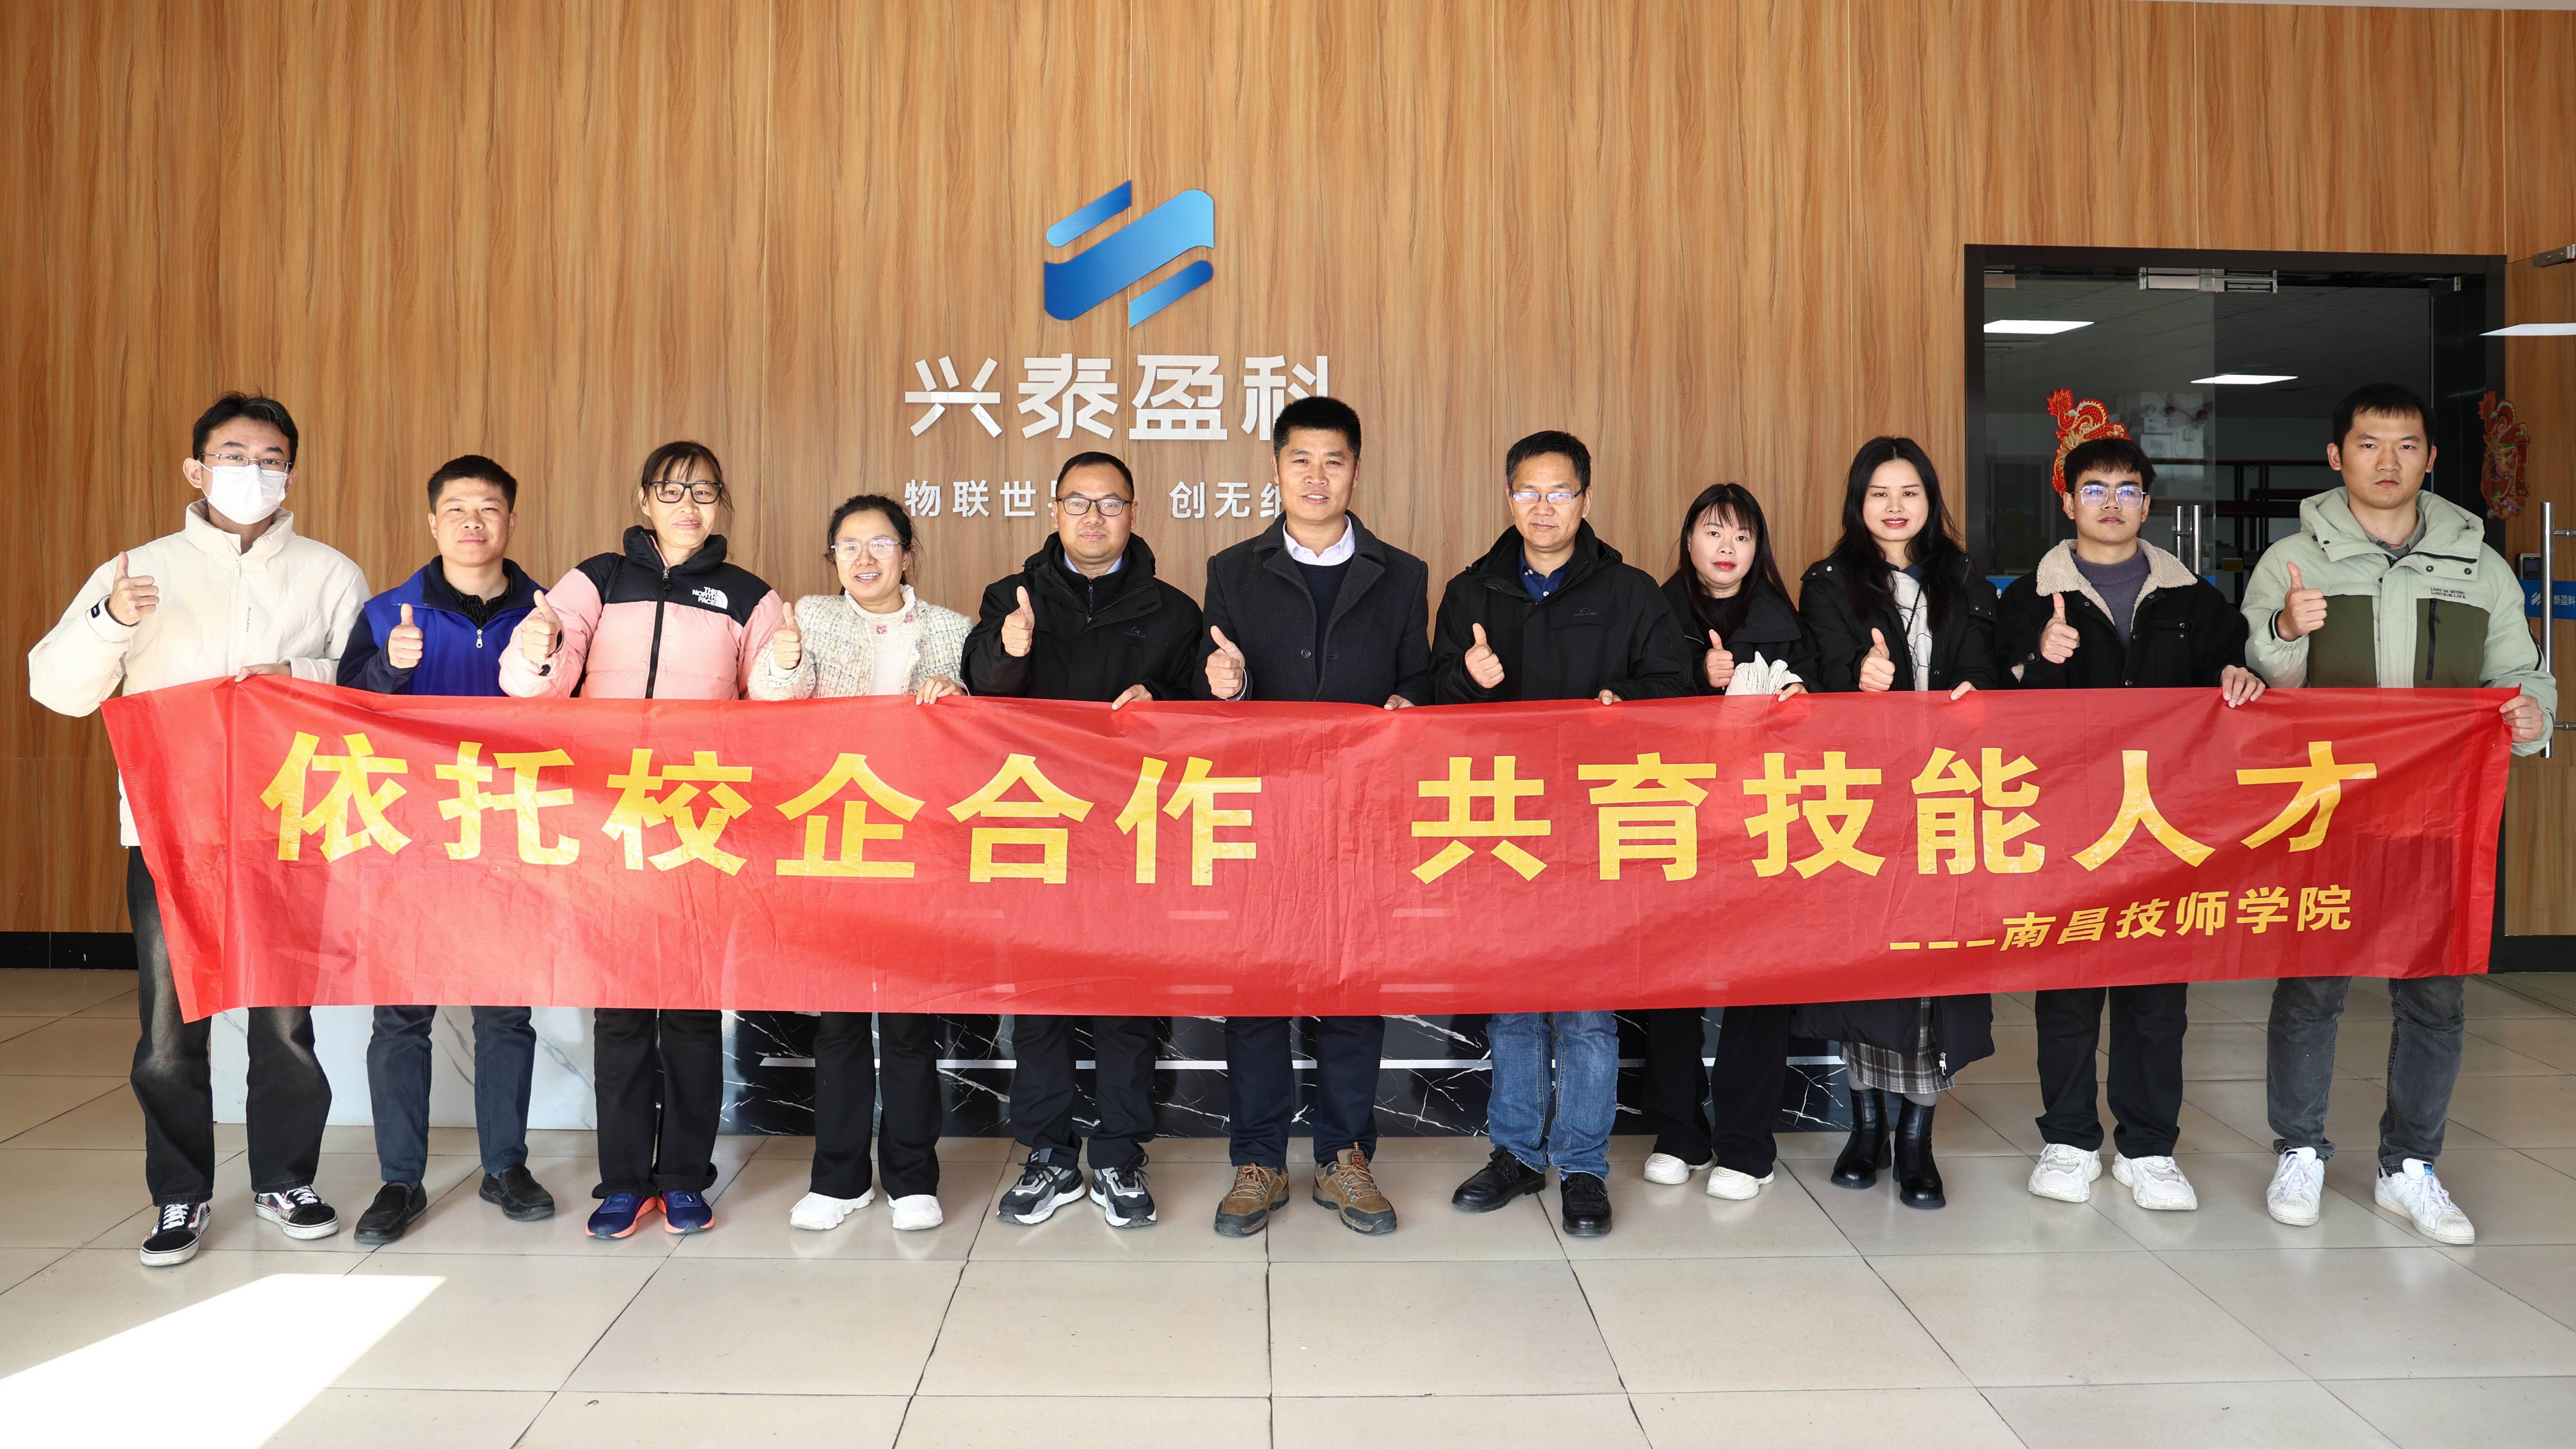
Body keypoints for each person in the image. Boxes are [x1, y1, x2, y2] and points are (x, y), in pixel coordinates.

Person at [29, 392, 367, 1267]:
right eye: (232, 455)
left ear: (292, 473)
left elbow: (367, 692)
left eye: (270, 459)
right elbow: (55, 689)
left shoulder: (330, 572)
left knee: (286, 1024)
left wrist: (295, 674)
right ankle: (180, 1193)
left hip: (289, 830)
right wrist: (112, 620)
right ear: (196, 469)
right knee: (169, 1029)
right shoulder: (138, 570)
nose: (252, 472)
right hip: (170, 832)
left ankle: (285, 1178)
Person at [2240, 383, 2554, 1246]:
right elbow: (2258, 689)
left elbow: (2521, 675)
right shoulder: (2293, 559)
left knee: (2435, 995)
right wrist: (2286, 630)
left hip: (2439, 811)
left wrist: (2530, 715)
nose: (2388, 461)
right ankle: (2299, 1150)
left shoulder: (2477, 564)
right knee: (2312, 986)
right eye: (2369, 444)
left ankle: (2409, 1165)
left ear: (2431, 458)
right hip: (2325, 808)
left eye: (2407, 445)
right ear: (2336, 457)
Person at [500, 440, 786, 1239]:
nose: (689, 506)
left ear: (722, 502)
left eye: (704, 491)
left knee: (691, 1015)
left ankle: (686, 1178)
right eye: (672, 490)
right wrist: (536, 649)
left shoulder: (750, 596)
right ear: (644, 499)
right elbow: (534, 690)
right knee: (622, 1015)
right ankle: (624, 1182)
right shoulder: (596, 581)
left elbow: (776, 714)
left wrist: (788, 667)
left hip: (701, 825)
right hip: (610, 822)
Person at [1997, 435, 2267, 1215]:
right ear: (2067, 502)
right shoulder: (2027, 599)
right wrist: (2040, 659)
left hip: (2163, 826)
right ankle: (2069, 1141)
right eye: (2095, 490)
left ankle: (2149, 1149)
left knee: (2156, 998)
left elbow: (2233, 679)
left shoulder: (2195, 600)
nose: (2110, 504)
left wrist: (2240, 675)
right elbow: (1997, 716)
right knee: (2068, 990)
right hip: (2066, 823)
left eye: (2126, 491)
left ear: (2148, 505)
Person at [1434, 430, 1694, 1238]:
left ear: (1585, 498)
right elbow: (1432, 708)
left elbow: (1675, 687)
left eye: (1559, 492)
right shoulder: (1471, 592)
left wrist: (1625, 703)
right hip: (1502, 825)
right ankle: (1516, 1154)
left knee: (1585, 1013)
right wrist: (1468, 681)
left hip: (1595, 830)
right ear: (1507, 497)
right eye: (1528, 491)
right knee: (1513, 1005)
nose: (1542, 507)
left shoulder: (1631, 592)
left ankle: (1583, 1166)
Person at [1195, 396, 1429, 1238]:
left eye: (1333, 460)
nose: (1317, 476)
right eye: (1301, 460)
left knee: (1353, 990)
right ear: (1276, 468)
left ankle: (1344, 1156)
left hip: (1362, 818)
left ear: (1355, 470)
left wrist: (1408, 703)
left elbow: (1419, 679)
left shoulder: (1404, 574)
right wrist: (1226, 687)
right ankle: (1258, 1160)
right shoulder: (1232, 569)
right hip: (1264, 815)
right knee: (1256, 990)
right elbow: (1211, 689)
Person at [963, 450, 1201, 1229]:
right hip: (1037, 824)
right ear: (1055, 510)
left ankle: (1121, 1157)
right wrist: (1013, 649)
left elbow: (1203, 714)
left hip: (1132, 831)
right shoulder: (1012, 595)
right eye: (1079, 502)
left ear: (1133, 512)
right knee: (1041, 1004)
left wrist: (1160, 699)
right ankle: (1050, 1156)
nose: (1094, 518)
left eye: (1110, 503)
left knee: (1127, 1004)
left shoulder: (1173, 610)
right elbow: (983, 691)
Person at [336, 455, 555, 1243]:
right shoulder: (386, 612)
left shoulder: (550, 612)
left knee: (506, 1014)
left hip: (511, 836)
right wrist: (389, 672)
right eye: (457, 509)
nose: (472, 522)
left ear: (511, 522)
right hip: (411, 844)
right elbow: (343, 712)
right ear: (433, 522)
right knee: (402, 1018)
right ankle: (400, 1181)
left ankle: (506, 1168)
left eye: (488, 508)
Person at [750, 493, 970, 1235]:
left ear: (908, 553)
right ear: (834, 558)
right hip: (834, 842)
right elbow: (771, 701)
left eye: (881, 544)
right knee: (839, 1023)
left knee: (908, 1025)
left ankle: (912, 1179)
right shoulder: (809, 617)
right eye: (849, 546)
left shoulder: (951, 628)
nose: (865, 558)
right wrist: (785, 662)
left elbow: (969, 724)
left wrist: (955, 695)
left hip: (917, 849)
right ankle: (838, 1180)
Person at [1792, 436, 2002, 1210]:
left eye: (1909, 492)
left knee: (1929, 971)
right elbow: (1815, 676)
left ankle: (1917, 1135)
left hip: (1946, 795)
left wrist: (1976, 690)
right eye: (1879, 492)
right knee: (1867, 967)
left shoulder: (1965, 579)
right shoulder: (1828, 582)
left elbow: (1985, 666)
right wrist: (1859, 678)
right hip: (1864, 803)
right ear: (1858, 502)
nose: (1894, 506)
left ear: (1930, 501)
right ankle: (1867, 1125)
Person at [1640, 484, 1817, 1201]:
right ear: (1688, 540)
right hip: (1672, 816)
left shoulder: (1788, 623)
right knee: (1670, 982)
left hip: (1763, 825)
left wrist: (1799, 701)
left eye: (1742, 537)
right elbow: (1627, 701)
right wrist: (1695, 679)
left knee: (1759, 983)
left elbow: (1827, 720)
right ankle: (1678, 1133)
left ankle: (1747, 1144)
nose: (1726, 548)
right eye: (1714, 532)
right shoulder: (1652, 610)